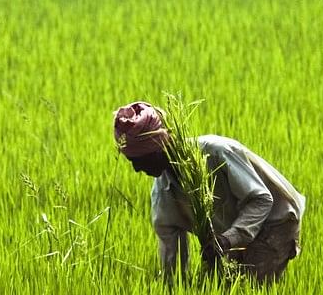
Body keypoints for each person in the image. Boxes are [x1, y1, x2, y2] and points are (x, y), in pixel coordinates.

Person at [113, 101, 305, 284]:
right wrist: (172, 290)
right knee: (216, 288)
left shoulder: (216, 153)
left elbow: (261, 199)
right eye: (132, 161)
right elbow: (172, 253)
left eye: (141, 159)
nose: (137, 169)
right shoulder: (163, 193)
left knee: (247, 291)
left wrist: (227, 240)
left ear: (160, 148)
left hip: (276, 220)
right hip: (234, 228)